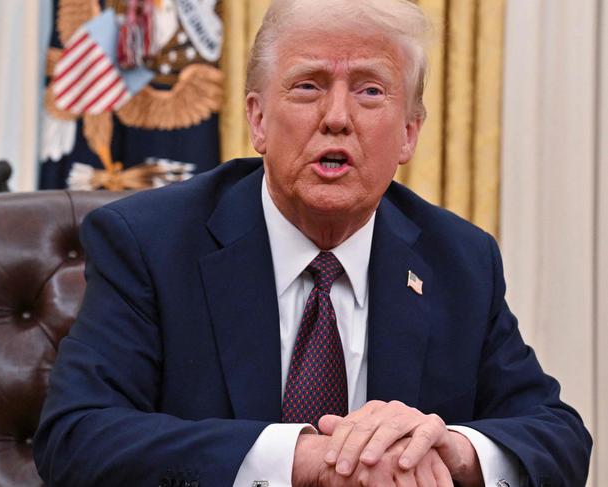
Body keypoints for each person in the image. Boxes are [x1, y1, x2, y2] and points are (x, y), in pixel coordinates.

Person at [33, 0, 592, 485]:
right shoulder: (150, 243)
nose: (337, 118)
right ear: (257, 119)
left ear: (408, 133)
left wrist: (451, 448)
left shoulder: (460, 261)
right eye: (308, 86)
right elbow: (77, 437)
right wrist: (306, 458)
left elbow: (557, 436)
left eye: (371, 90)